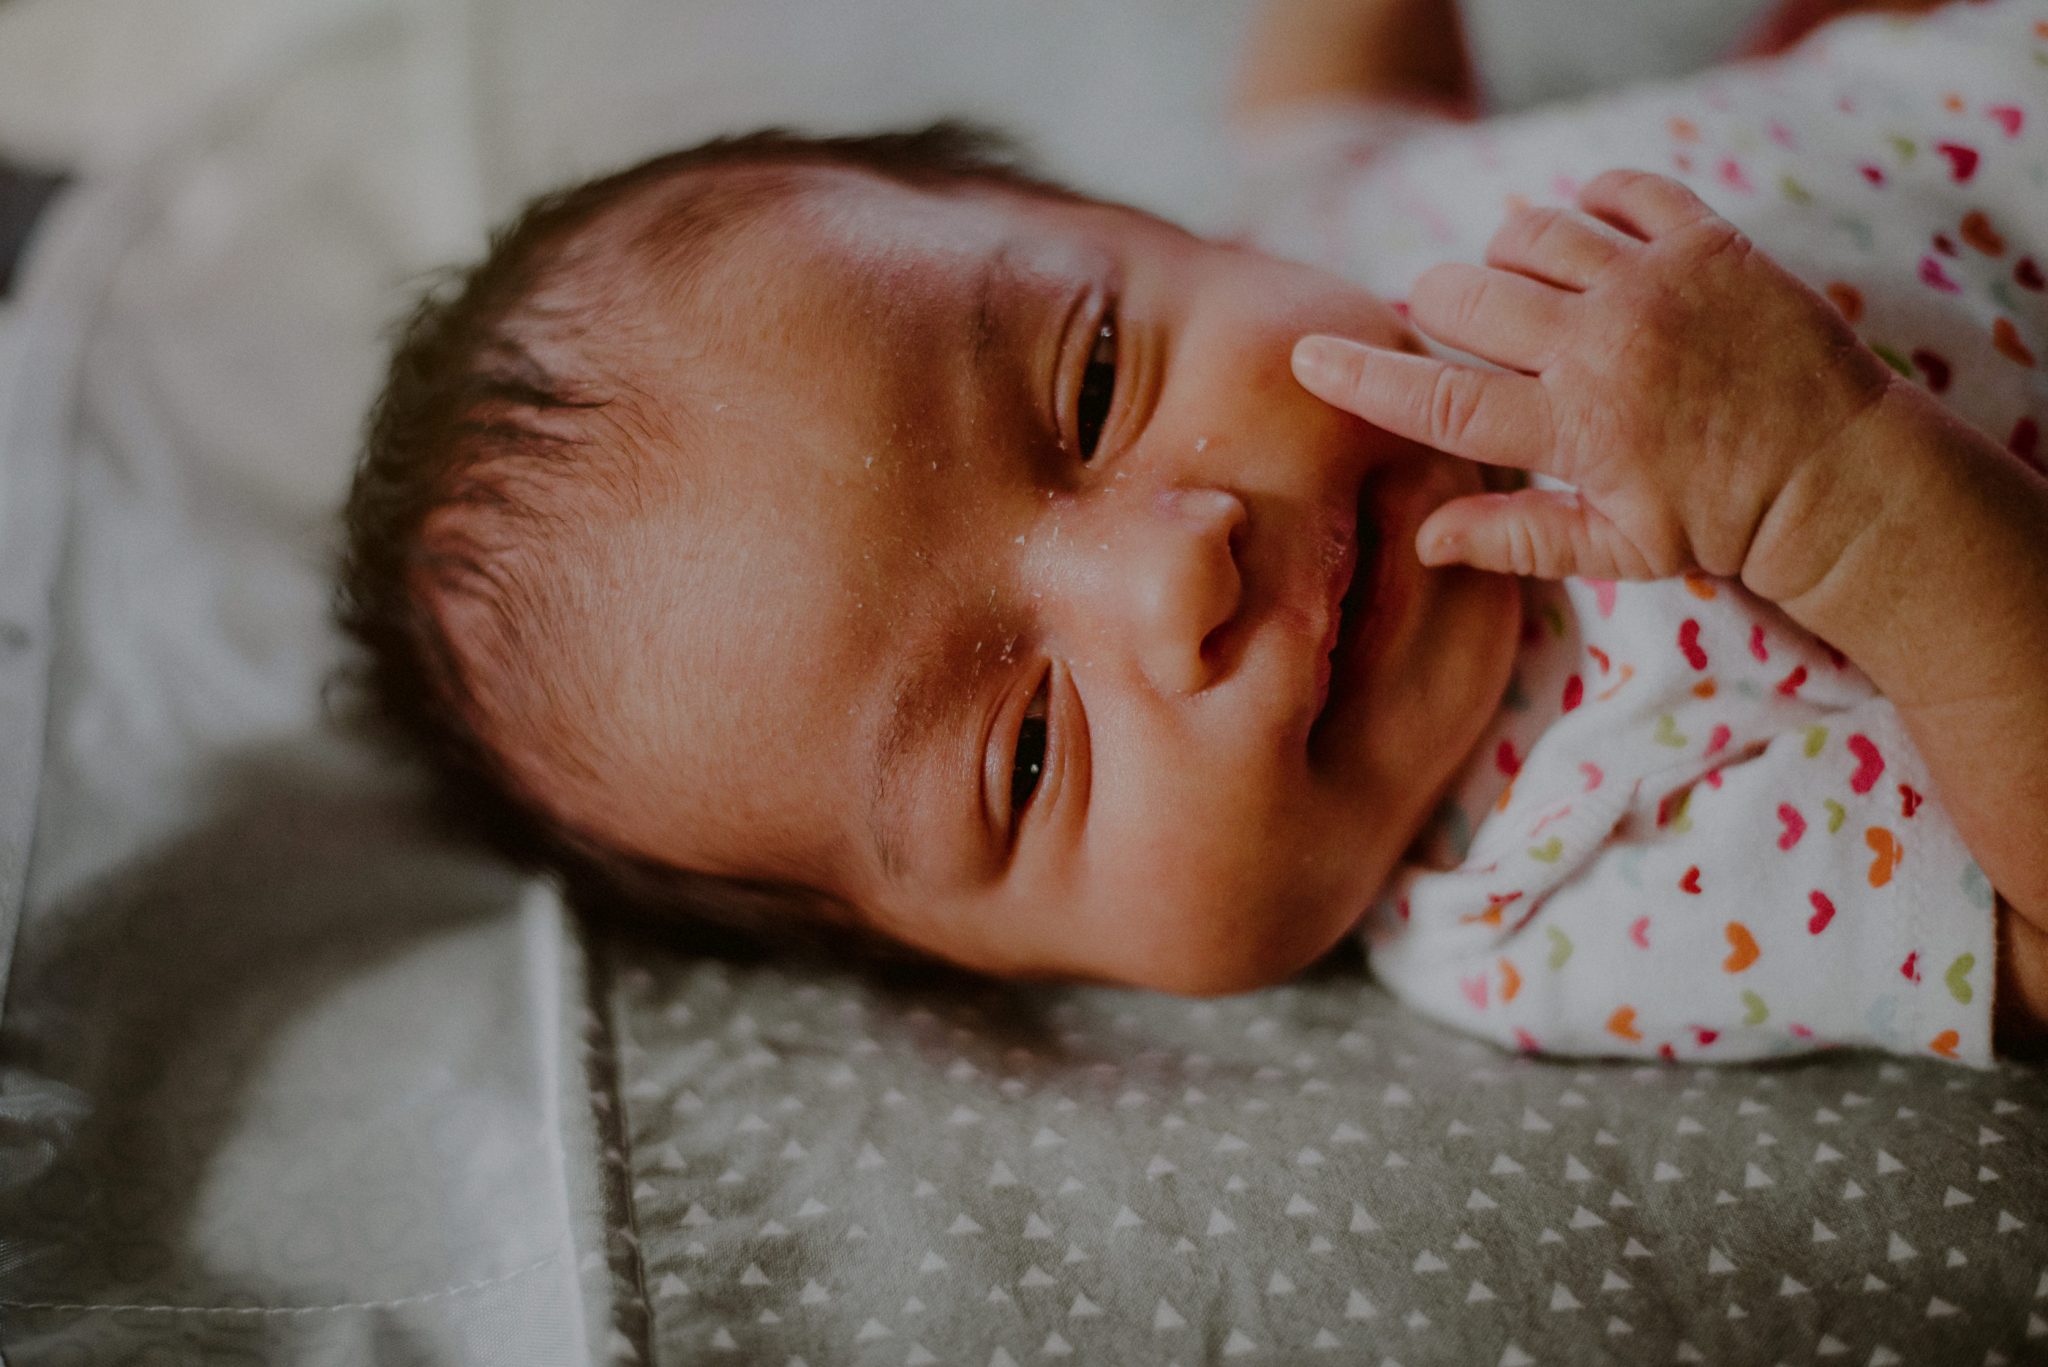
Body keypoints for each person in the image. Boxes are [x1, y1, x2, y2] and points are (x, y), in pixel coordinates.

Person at [335, 0, 2048, 1065]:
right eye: (1021, 755)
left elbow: (1338, 77)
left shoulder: (1332, 236)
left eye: (1087, 385)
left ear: (1139, 222)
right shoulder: (1568, 882)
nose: (1173, 571)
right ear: (978, 972)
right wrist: (1843, 501)